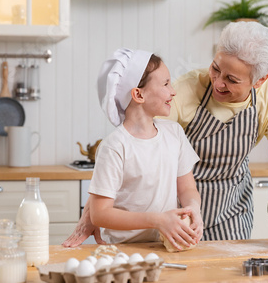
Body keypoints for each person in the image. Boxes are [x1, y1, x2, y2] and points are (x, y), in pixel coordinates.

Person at [63, 22, 268, 247]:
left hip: (232, 207)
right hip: (180, 215)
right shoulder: (187, 90)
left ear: (259, 81)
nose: (218, 82)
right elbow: (136, 134)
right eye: (216, 68)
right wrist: (93, 213)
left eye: (232, 79)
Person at [67, 48, 203, 250]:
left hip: (164, 247)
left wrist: (193, 209)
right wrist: (158, 220)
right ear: (138, 94)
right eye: (166, 84)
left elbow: (187, 188)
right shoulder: (115, 146)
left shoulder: (174, 133)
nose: (173, 91)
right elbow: (100, 214)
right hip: (120, 251)